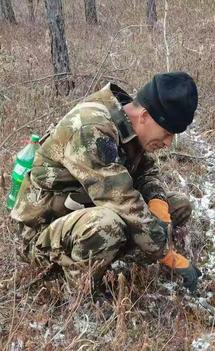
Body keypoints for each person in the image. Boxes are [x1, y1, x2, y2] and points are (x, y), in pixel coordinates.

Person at [11, 72, 201, 293]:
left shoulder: (130, 124)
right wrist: (169, 256)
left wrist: (158, 203)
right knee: (107, 223)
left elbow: (147, 172)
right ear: (145, 116)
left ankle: (114, 258)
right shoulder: (91, 128)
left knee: (177, 205)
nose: (168, 143)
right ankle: (79, 290)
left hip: (85, 211)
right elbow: (122, 200)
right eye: (167, 133)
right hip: (43, 232)